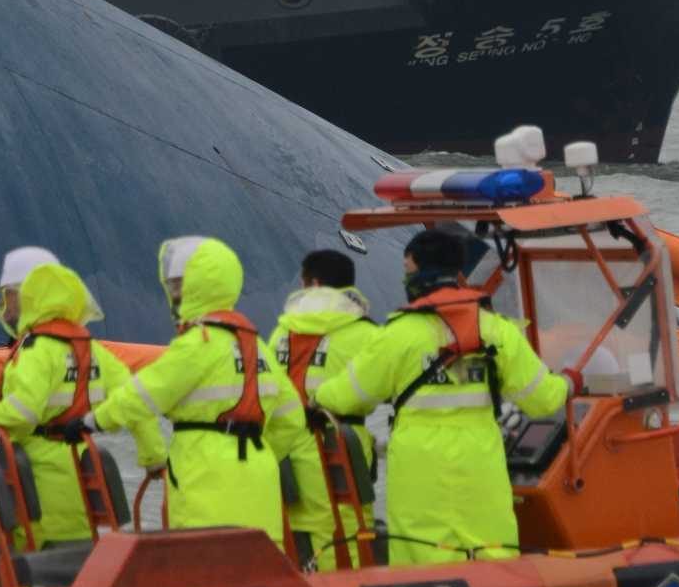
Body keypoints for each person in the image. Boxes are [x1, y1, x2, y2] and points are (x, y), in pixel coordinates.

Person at [309, 227, 570, 565]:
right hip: (481, 467)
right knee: (494, 559)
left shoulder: (398, 335)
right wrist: (569, 382)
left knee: (421, 560)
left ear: (419, 273)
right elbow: (545, 399)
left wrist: (315, 397)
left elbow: (347, 396)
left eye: (408, 270)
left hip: (419, 471)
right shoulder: (496, 330)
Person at [91, 236, 309, 550]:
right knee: (259, 579)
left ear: (195, 288)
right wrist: (257, 455)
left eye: (179, 285)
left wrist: (92, 421)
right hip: (258, 479)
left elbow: (139, 397)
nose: (174, 293)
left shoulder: (197, 344)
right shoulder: (258, 348)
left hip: (203, 480)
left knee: (204, 576)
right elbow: (292, 420)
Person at [0, 259, 161, 547]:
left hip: (36, 490)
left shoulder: (36, 352)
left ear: (31, 302)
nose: (7, 306)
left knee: (18, 556)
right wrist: (153, 457)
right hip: (85, 491)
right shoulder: (97, 354)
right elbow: (138, 404)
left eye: (12, 298)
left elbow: (22, 413)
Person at [268, 249, 385, 566]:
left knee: (290, 527)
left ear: (313, 284)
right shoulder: (368, 333)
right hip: (340, 445)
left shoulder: (281, 333)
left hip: (283, 447)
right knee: (347, 526)